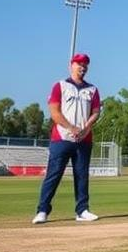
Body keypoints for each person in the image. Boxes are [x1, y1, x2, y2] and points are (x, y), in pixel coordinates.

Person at [32, 53, 101, 224]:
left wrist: (86, 128)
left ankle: (82, 210)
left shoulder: (92, 89)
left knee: (82, 176)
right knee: (53, 175)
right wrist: (71, 128)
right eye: (79, 64)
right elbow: (54, 111)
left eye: (85, 65)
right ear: (71, 65)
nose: (82, 67)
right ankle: (42, 210)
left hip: (83, 140)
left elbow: (96, 112)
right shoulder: (60, 86)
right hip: (61, 138)